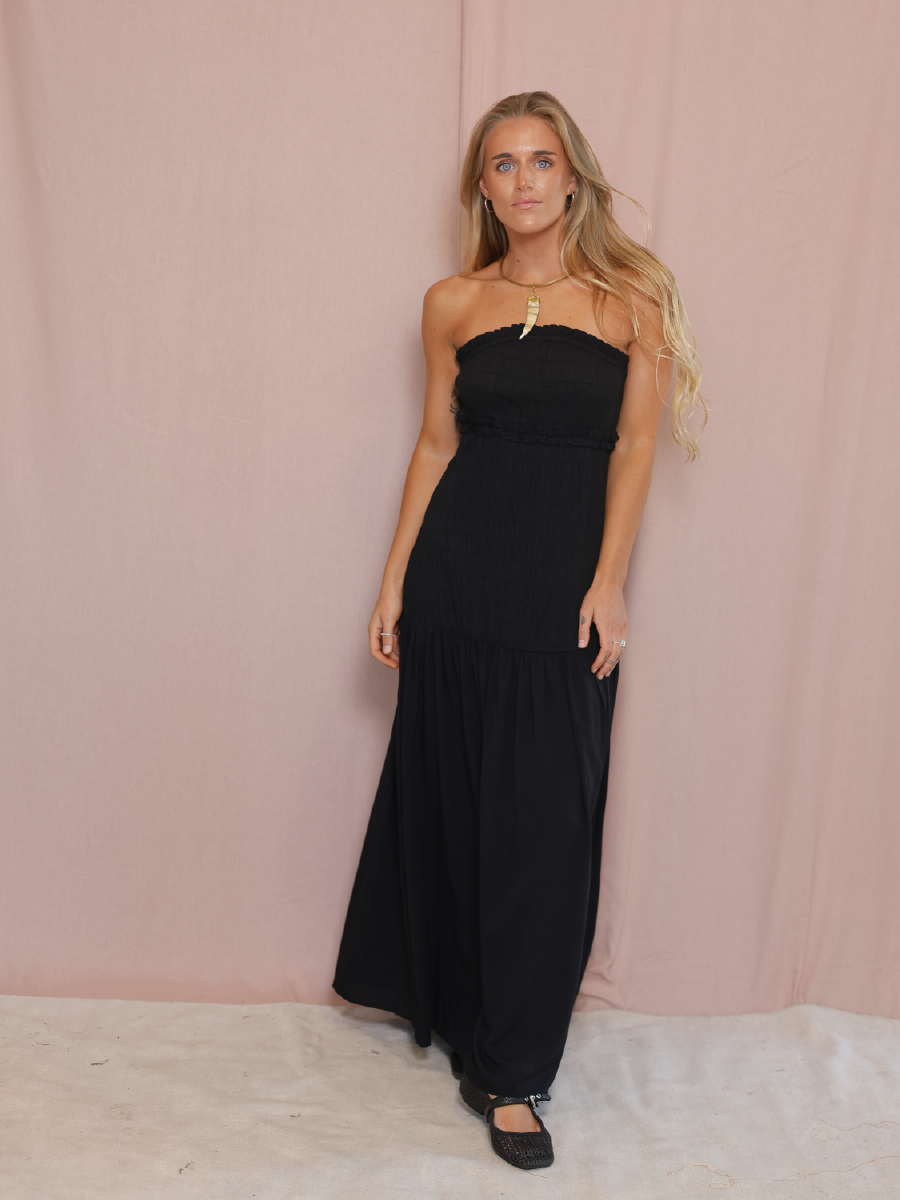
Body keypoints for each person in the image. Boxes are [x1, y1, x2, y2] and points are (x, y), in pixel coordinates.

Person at [333, 90, 704, 1171]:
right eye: (503, 164)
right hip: (456, 581)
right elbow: (436, 444)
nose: (524, 180)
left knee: (543, 825)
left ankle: (516, 1071)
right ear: (482, 188)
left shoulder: (633, 298)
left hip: (559, 592)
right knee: (455, 800)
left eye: (542, 161)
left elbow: (635, 447)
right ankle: (468, 1028)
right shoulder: (452, 302)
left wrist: (611, 581)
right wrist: (392, 583)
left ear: (572, 178)